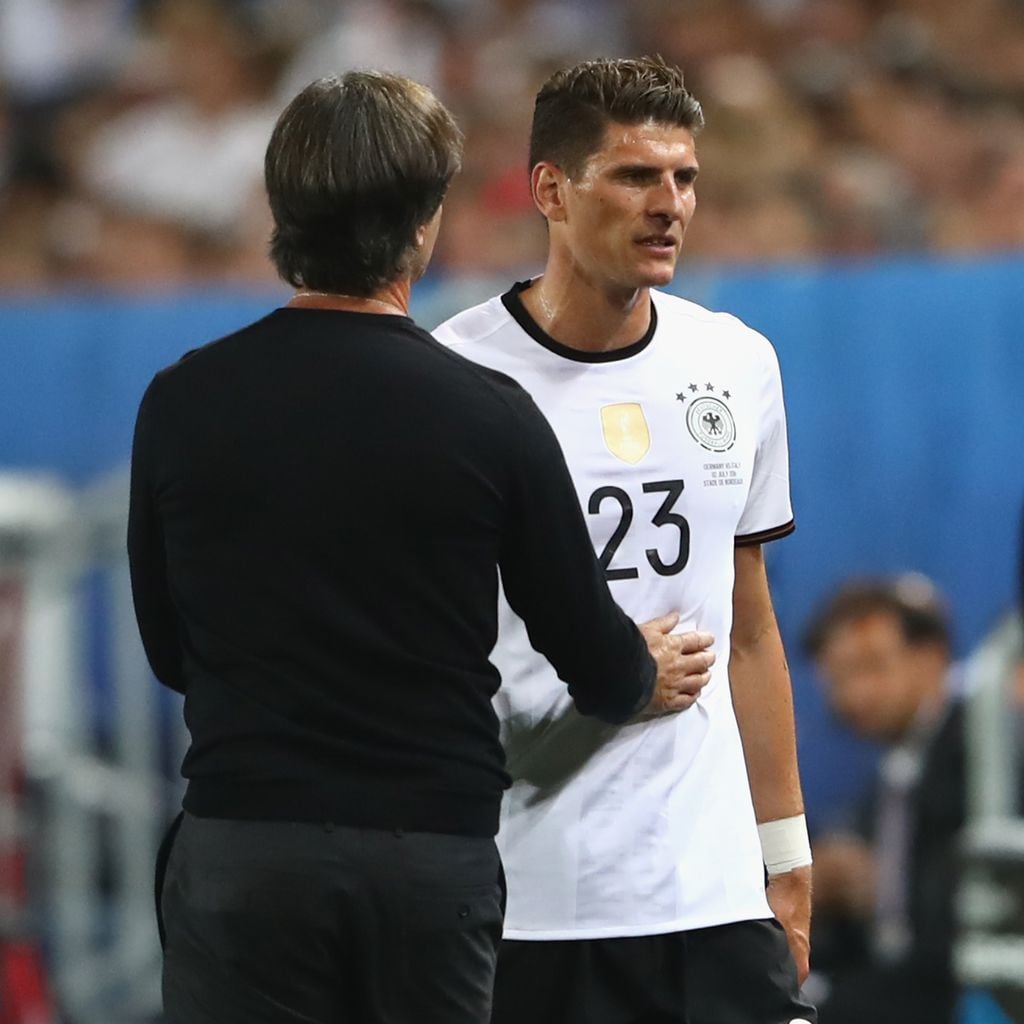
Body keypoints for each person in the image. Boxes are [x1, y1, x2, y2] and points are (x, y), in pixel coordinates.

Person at [127, 71, 712, 1024]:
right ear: (424, 224)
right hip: (426, 865)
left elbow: (168, 652)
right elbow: (600, 669)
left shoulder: (182, 400)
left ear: (283, 213)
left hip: (243, 851)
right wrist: (641, 669)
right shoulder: (488, 414)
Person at [434, 56, 815, 1024]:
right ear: (551, 191)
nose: (669, 205)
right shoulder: (451, 377)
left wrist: (784, 854)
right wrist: (603, 679)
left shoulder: (734, 360)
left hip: (713, 895)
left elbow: (751, 629)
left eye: (684, 178)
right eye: (636, 176)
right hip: (524, 891)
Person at [803, 575, 966, 1024]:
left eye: (872, 667)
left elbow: (941, 952)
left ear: (933, 657)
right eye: (837, 678)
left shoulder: (977, 753)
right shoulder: (891, 776)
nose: (855, 695)